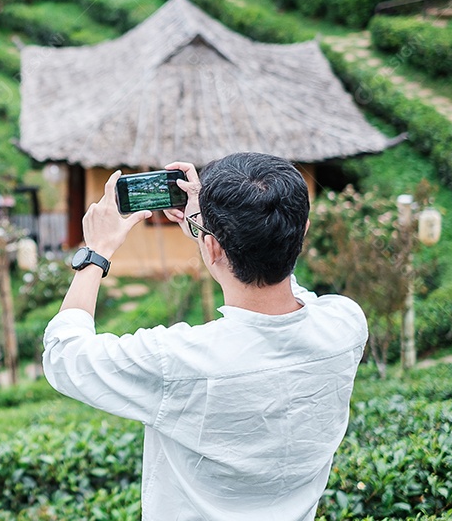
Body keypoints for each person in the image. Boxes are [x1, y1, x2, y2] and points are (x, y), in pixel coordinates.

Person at [43, 153, 367, 521]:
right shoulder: (346, 325)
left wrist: (96, 252)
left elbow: (64, 354)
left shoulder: (179, 361)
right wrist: (209, 231)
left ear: (212, 249)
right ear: (303, 229)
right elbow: (288, 286)